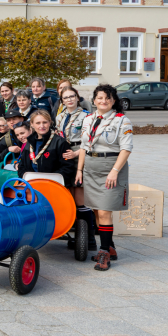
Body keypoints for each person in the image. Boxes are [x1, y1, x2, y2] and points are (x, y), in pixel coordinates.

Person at [77, 84, 133, 272]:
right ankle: (110, 247)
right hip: (91, 168)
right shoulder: (88, 119)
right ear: (94, 100)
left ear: (114, 101)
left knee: (104, 212)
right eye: (100, 98)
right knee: (96, 211)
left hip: (111, 168)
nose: (103, 101)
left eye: (108, 98)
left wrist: (115, 171)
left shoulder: (121, 120)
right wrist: (79, 169)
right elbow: (84, 147)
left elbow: (126, 149)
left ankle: (104, 253)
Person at [55, 86, 95, 250]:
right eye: (66, 97)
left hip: (80, 156)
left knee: (80, 200)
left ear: (78, 98)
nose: (69, 100)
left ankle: (90, 240)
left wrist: (77, 153)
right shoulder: (60, 117)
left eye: (72, 96)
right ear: (62, 101)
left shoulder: (87, 117)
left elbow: (92, 142)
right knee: (68, 197)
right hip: (65, 158)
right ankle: (78, 238)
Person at [17, 110, 75, 187]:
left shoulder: (60, 142)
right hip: (31, 185)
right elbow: (22, 166)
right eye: (38, 123)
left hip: (54, 186)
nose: (42, 126)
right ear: (32, 124)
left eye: (45, 122)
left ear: (50, 123)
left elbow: (67, 167)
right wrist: (28, 178)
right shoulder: (28, 143)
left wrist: (48, 180)